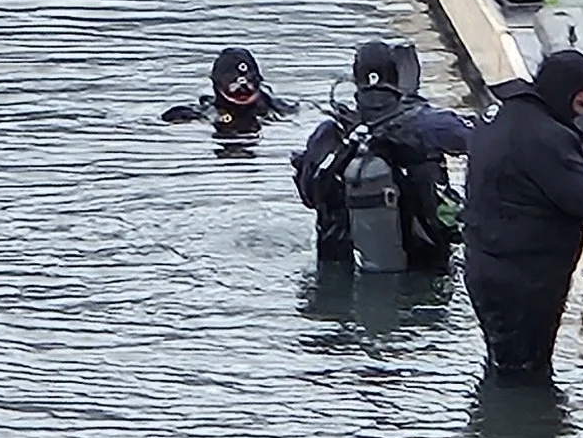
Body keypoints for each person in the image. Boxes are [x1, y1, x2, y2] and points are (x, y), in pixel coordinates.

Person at [461, 47, 583, 378]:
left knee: (507, 366)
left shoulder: (501, 117)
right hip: (522, 282)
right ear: (565, 93)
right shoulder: (545, 137)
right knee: (524, 375)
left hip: (489, 268)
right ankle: (525, 426)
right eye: (582, 103)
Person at [292, 40, 475, 268]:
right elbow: (486, 143)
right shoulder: (429, 124)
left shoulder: (330, 133)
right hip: (423, 269)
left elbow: (309, 195)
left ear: (356, 80)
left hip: (341, 272)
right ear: (396, 77)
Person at [162, 44, 294, 131]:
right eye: (234, 85)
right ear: (216, 83)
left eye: (249, 84)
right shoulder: (201, 113)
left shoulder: (280, 109)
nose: (242, 90)